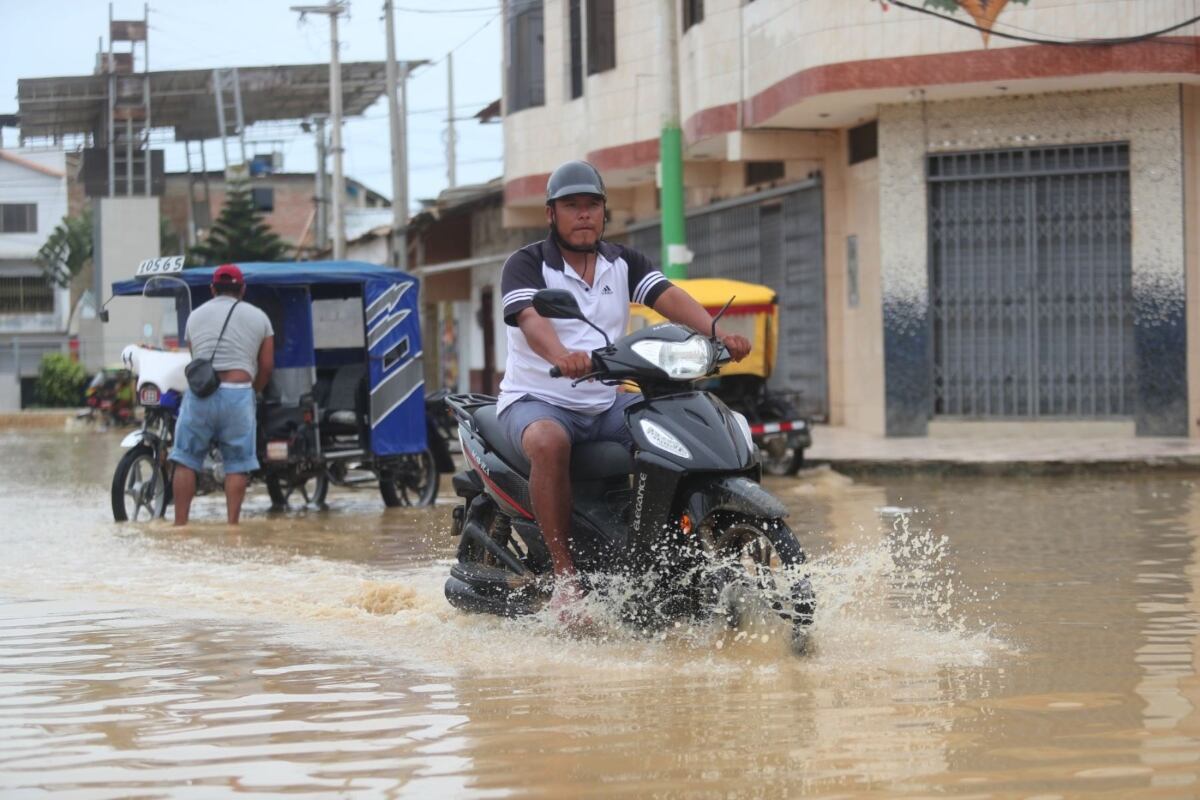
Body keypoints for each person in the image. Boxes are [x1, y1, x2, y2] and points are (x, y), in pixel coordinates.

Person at [498, 160, 752, 619]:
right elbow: (531, 319)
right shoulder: (527, 264)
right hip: (539, 400)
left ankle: (663, 556)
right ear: (551, 214)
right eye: (571, 206)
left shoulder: (623, 262)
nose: (583, 215)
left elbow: (668, 297)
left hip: (605, 398)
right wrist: (560, 356)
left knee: (675, 427)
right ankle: (565, 579)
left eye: (592, 205)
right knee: (548, 441)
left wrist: (717, 335)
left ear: (604, 212)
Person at [170, 264, 275, 525]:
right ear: (243, 289)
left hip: (201, 395)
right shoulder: (260, 318)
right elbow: (267, 366)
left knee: (185, 459)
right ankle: (232, 527)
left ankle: (180, 526)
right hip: (238, 395)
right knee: (237, 464)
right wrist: (254, 390)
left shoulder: (194, 317)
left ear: (212, 289)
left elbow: (196, 361)